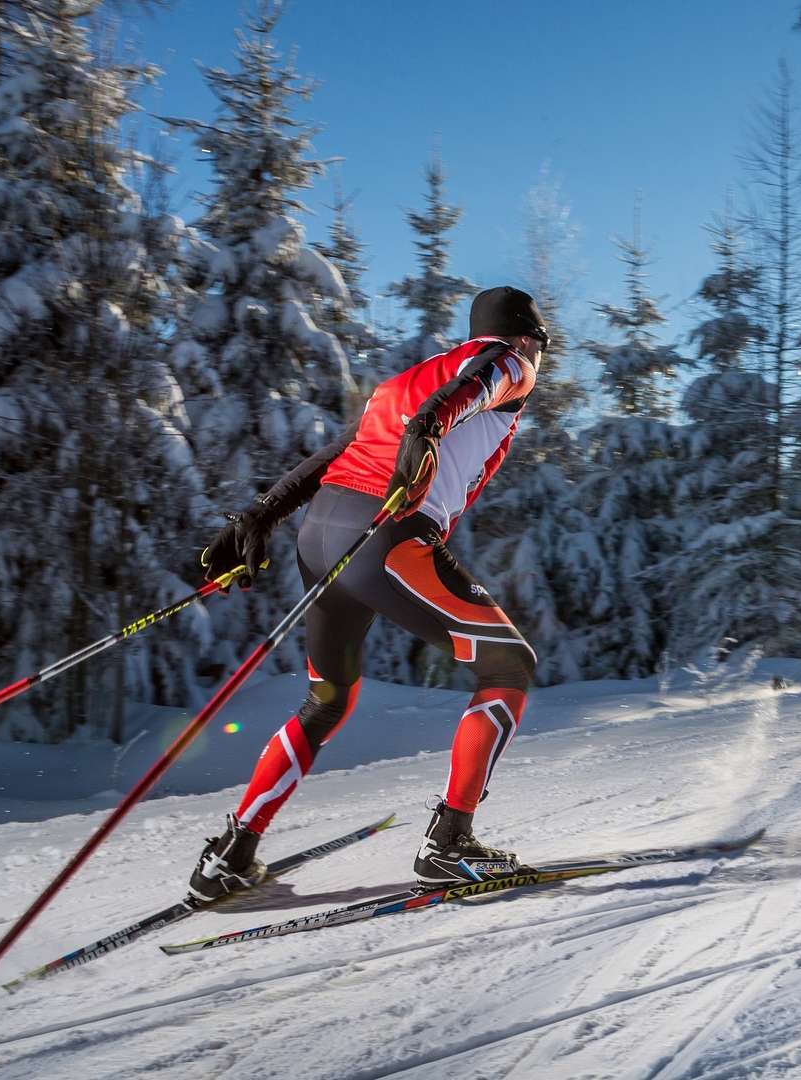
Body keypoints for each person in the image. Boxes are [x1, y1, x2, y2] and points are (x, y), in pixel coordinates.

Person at [188, 286, 548, 901]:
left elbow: (338, 452)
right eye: (543, 346)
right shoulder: (508, 363)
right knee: (509, 668)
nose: (541, 362)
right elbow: (482, 382)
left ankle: (232, 852)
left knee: (326, 698)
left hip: (321, 532)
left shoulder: (403, 382)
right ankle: (451, 843)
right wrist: (435, 424)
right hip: (385, 535)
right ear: (524, 337)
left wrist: (258, 515)